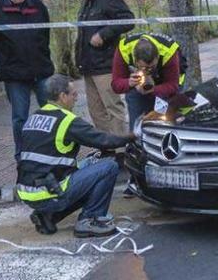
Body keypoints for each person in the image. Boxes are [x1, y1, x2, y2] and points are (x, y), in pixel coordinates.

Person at [16, 74, 134, 237]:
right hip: (48, 191)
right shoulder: (67, 121)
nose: (77, 98)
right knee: (109, 166)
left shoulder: (34, 117)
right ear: (62, 97)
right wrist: (133, 137)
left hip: (28, 190)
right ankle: (89, 220)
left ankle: (49, 216)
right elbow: (104, 140)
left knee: (91, 162)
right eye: (73, 94)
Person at [0, 0, 55, 160]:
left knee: (52, 113)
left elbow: (45, 36)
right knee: (20, 118)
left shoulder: (38, 7)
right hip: (14, 74)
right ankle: (22, 156)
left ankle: (52, 151)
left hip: (41, 70)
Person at [75, 0, 135, 140]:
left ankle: (120, 149)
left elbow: (129, 20)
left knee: (113, 108)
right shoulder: (86, 1)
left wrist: (103, 34)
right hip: (88, 65)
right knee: (96, 111)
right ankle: (107, 147)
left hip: (106, 65)